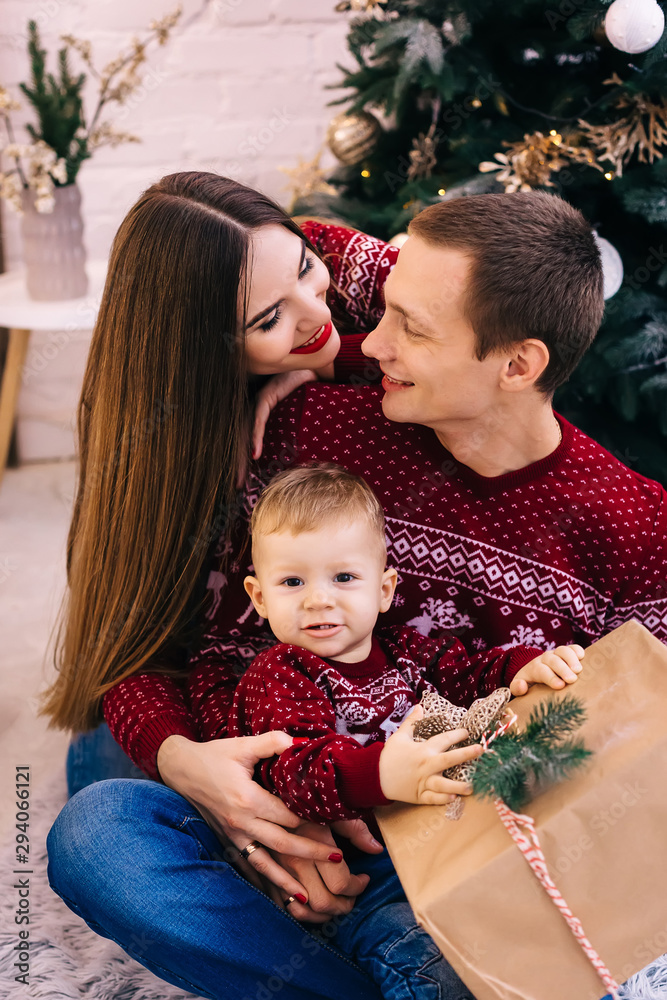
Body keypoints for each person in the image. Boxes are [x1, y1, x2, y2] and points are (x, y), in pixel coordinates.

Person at [46, 188, 666, 998]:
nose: (366, 342)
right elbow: (254, 246)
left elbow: (631, 760)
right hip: (301, 752)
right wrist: (247, 798)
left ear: (517, 365)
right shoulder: (314, 429)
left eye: (409, 328)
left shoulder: (637, 525)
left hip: (456, 836)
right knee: (98, 820)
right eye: (384, 311)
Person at [224, 462, 585, 999]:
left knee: (527, 914)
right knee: (415, 954)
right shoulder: (279, 675)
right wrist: (382, 773)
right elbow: (297, 773)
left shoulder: (411, 653)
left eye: (344, 578)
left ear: (386, 588)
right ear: (258, 597)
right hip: (361, 884)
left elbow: (471, 676)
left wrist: (520, 670)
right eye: (292, 581)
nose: (319, 599)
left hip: (447, 848)